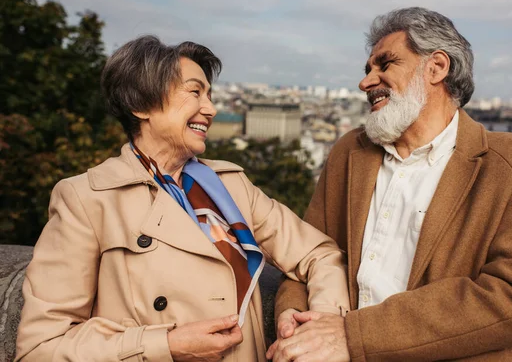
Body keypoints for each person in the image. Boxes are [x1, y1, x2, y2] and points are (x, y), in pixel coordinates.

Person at [15, 35, 350, 362]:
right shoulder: (87, 198)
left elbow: (319, 254)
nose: (212, 108)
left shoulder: (230, 186)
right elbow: (40, 348)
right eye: (195, 92)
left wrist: (319, 327)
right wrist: (166, 346)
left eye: (209, 94)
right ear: (140, 105)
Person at [268, 7, 512, 361]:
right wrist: (291, 313)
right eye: (368, 69)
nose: (366, 82)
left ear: (436, 67)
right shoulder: (350, 152)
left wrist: (353, 335)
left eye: (385, 65)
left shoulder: (511, 163)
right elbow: (307, 255)